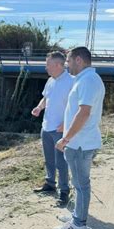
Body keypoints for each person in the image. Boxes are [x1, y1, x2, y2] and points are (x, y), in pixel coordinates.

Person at [54, 46, 105, 229]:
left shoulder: (88, 80)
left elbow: (83, 113)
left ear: (78, 60)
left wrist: (65, 138)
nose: (66, 65)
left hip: (80, 143)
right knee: (79, 182)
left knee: (81, 184)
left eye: (68, 60)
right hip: (80, 141)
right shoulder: (86, 79)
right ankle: (78, 214)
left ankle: (78, 224)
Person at [31, 51, 74, 205]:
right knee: (49, 159)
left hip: (61, 129)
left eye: (48, 64)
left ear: (57, 65)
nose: (46, 67)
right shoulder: (50, 80)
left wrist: (65, 124)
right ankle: (50, 184)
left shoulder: (71, 81)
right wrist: (39, 107)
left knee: (61, 162)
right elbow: (46, 98)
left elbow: (76, 106)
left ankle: (64, 191)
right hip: (46, 127)